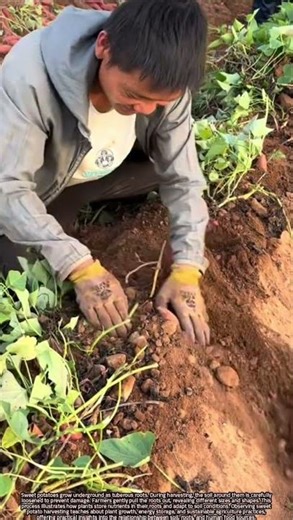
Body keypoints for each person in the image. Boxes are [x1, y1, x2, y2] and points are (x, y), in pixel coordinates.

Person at [0, 0, 210, 346]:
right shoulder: (30, 75)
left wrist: (188, 268)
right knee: (21, 271)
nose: (143, 109)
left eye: (157, 103)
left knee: (166, 168)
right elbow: (9, 189)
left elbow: (183, 175)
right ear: (103, 46)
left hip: (98, 172)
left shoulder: (167, 82)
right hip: (40, 184)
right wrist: (80, 266)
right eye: (132, 95)